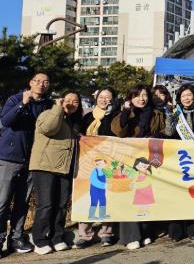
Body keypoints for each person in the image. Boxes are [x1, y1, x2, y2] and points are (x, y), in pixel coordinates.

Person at [0, 72, 53, 255]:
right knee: (2, 201)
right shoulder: (15, 99)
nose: (41, 84)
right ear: (30, 83)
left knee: (22, 203)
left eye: (45, 82)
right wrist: (23, 103)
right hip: (9, 158)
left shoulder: (48, 105)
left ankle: (16, 238)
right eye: (37, 81)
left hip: (32, 160)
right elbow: (6, 121)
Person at [111, 84, 166, 250]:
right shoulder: (125, 112)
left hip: (147, 159)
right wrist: (126, 112)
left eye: (144, 95)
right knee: (128, 196)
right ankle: (131, 236)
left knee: (144, 196)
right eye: (137, 95)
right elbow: (118, 131)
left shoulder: (156, 113)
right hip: (127, 159)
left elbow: (163, 132)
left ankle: (145, 232)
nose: (141, 99)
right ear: (130, 98)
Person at [30, 92, 82, 254]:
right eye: (68, 100)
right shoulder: (48, 114)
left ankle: (56, 237)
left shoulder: (72, 123)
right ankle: (40, 239)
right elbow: (49, 128)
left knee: (61, 205)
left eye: (76, 101)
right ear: (60, 101)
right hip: (45, 166)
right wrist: (58, 108)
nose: (71, 103)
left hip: (64, 167)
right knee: (46, 204)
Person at [75, 88, 118, 248]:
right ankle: (84, 234)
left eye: (108, 97)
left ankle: (106, 233)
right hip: (87, 162)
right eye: (101, 97)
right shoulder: (87, 117)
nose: (104, 100)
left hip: (108, 161)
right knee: (86, 197)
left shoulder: (115, 116)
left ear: (113, 100)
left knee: (108, 197)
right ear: (96, 98)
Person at [162, 85, 194, 242]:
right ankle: (176, 230)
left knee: (193, 193)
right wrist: (169, 113)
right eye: (183, 95)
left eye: (189, 95)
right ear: (179, 98)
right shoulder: (175, 112)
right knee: (177, 194)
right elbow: (168, 132)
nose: (186, 98)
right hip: (178, 159)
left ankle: (193, 228)